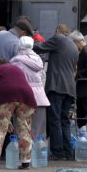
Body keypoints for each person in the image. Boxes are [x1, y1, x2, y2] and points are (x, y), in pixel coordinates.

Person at [33, 24, 79, 160]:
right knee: (64, 120)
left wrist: (32, 39)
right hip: (70, 88)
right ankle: (68, 152)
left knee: (55, 119)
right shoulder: (74, 46)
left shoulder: (58, 38)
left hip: (57, 86)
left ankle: (58, 153)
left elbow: (39, 47)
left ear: (58, 31)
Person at [0, 59, 37, 169]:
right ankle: (25, 163)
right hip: (27, 96)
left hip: (5, 94)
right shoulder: (18, 70)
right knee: (24, 129)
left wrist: (0, 113)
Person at [10, 36, 50, 139]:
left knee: (22, 131)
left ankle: (24, 155)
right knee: (39, 133)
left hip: (23, 100)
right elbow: (43, 78)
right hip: (40, 99)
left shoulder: (15, 61)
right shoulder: (38, 60)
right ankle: (39, 154)